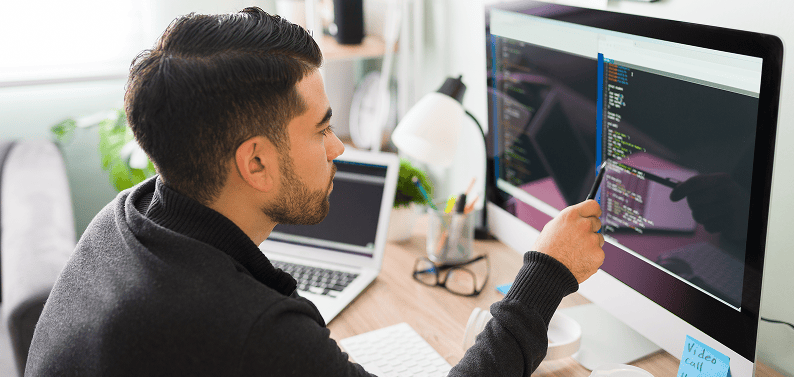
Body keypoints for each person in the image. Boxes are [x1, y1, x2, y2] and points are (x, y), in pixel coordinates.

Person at [26, 8, 604, 376]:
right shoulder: (249, 329)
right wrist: (546, 274)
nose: (338, 148)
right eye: (322, 129)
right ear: (255, 161)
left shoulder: (123, 221)